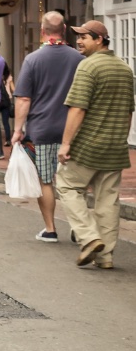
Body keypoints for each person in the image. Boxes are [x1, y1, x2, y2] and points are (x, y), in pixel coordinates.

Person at [56, 20, 134, 268]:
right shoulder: (124, 69)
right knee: (108, 201)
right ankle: (105, 256)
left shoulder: (88, 66)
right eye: (78, 37)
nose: (78, 41)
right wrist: (121, 138)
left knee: (67, 185)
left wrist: (65, 144)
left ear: (99, 39)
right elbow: (128, 111)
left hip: (88, 145)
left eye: (84, 37)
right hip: (115, 146)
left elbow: (77, 108)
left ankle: (89, 238)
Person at [10, 12, 83, 243]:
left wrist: (17, 130)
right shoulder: (79, 59)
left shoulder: (33, 60)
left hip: (42, 130)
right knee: (74, 182)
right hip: (74, 130)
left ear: (42, 31)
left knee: (46, 180)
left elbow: (23, 99)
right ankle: (80, 227)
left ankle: (50, 229)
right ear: (64, 29)